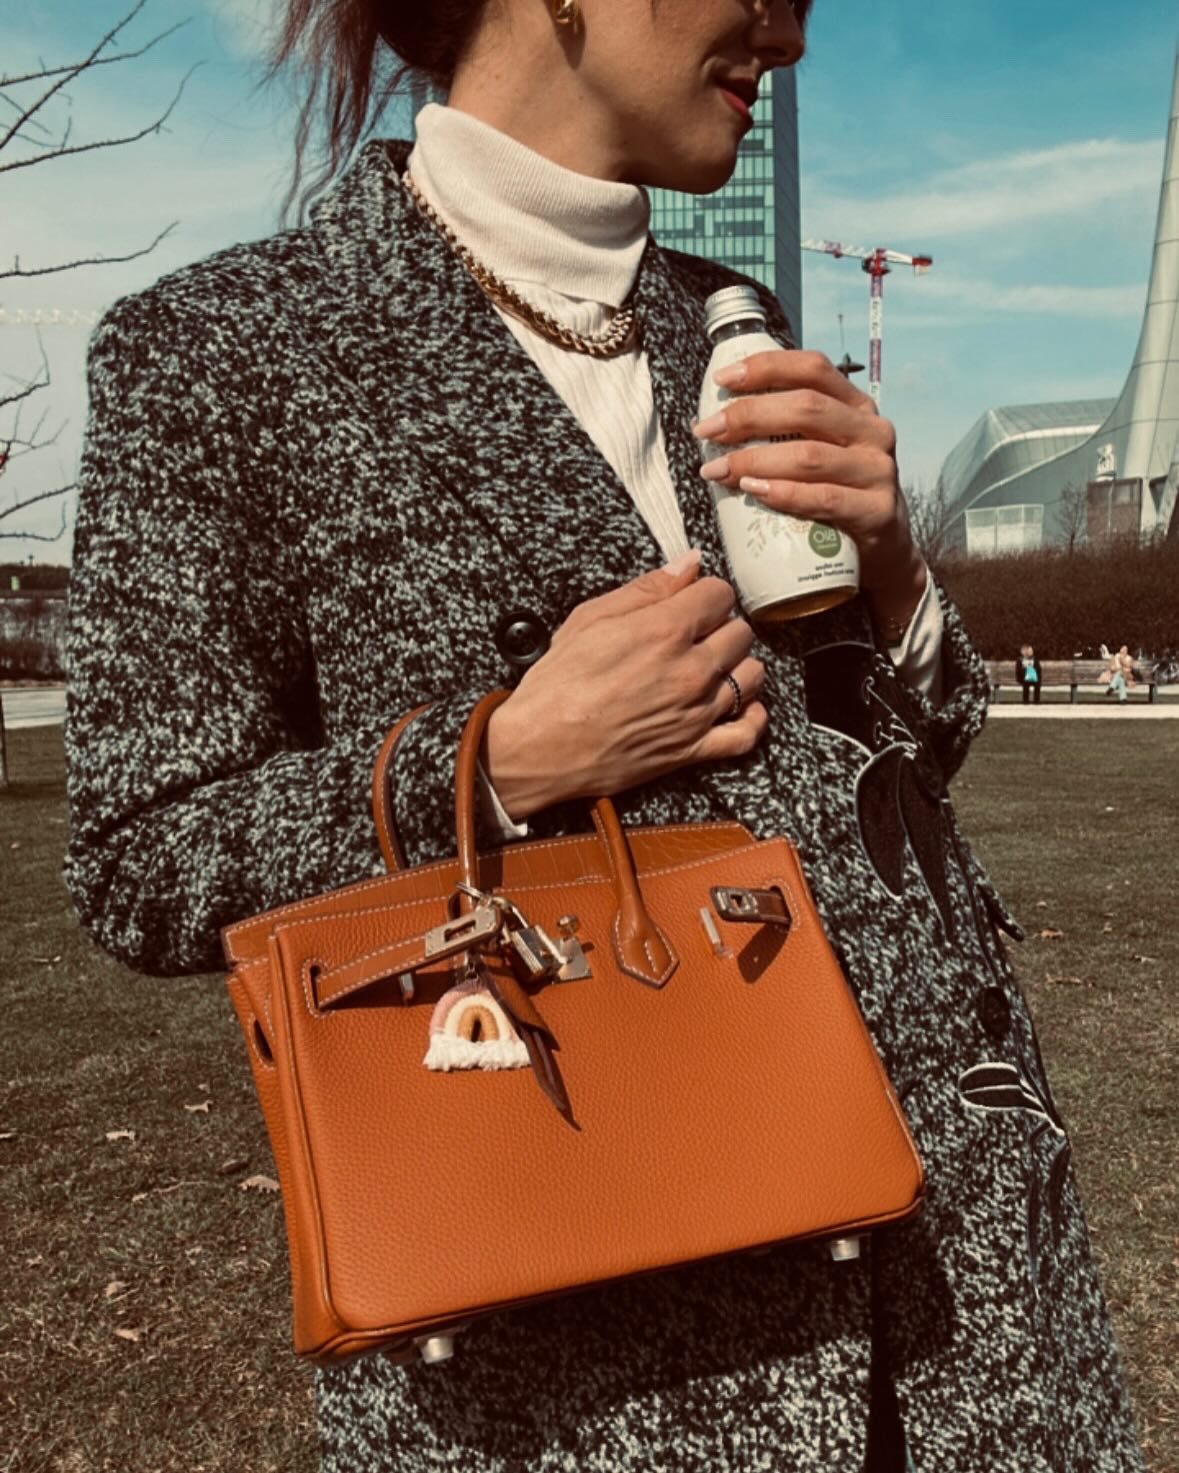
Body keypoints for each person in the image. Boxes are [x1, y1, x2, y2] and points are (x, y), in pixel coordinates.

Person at [62, 2, 1145, 1470]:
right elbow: (139, 853)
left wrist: (891, 574)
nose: (793, 37)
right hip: (595, 1359)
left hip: (967, 1303)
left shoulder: (729, 319)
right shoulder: (221, 356)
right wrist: (497, 759)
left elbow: (894, 780)